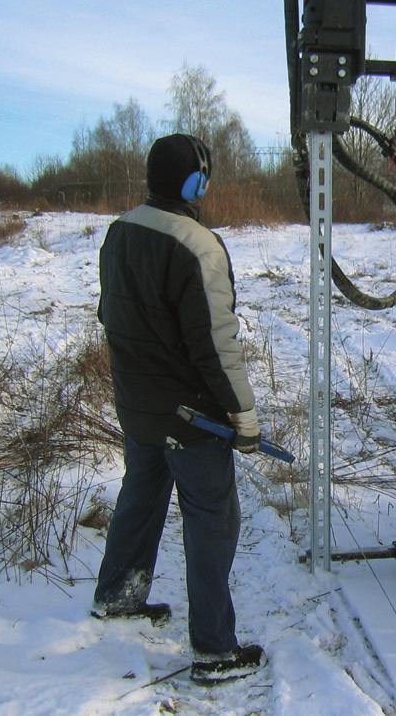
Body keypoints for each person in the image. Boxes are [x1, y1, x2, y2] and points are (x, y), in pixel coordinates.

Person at [92, 133, 266, 683]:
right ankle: (215, 650)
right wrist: (243, 415)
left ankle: (119, 594)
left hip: (137, 407)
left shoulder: (119, 233)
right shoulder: (199, 245)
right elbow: (216, 343)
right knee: (213, 520)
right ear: (197, 181)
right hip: (191, 419)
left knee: (140, 496)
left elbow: (109, 316)